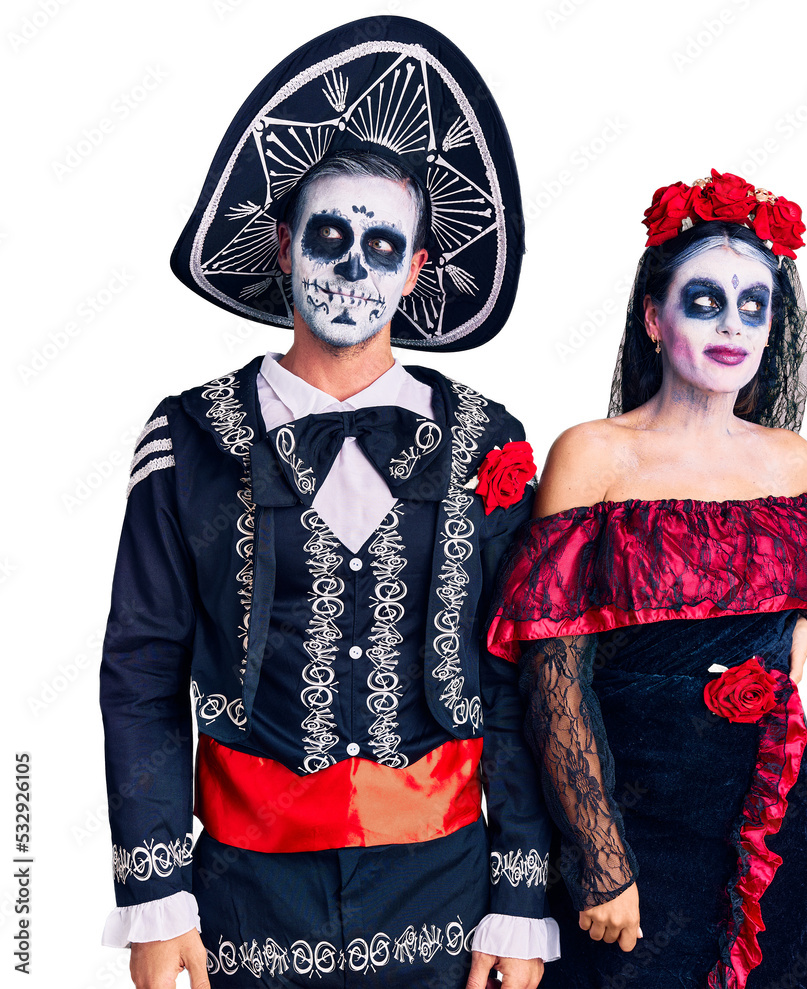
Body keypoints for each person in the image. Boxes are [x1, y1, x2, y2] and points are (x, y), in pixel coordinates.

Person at [99, 18, 558, 989]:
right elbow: (141, 667)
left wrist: (521, 896)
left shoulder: (492, 438)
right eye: (330, 235)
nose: (354, 265)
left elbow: (520, 675)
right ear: (284, 243)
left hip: (444, 890)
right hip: (242, 893)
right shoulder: (186, 435)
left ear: (417, 268)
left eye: (382, 243)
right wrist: (155, 890)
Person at [487, 170, 807, 988]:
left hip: (772, 826)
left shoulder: (794, 464)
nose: (733, 324)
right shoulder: (595, 454)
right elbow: (551, 670)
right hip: (631, 825)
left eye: (755, 304)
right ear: (653, 316)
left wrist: (777, 669)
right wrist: (601, 857)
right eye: (705, 299)